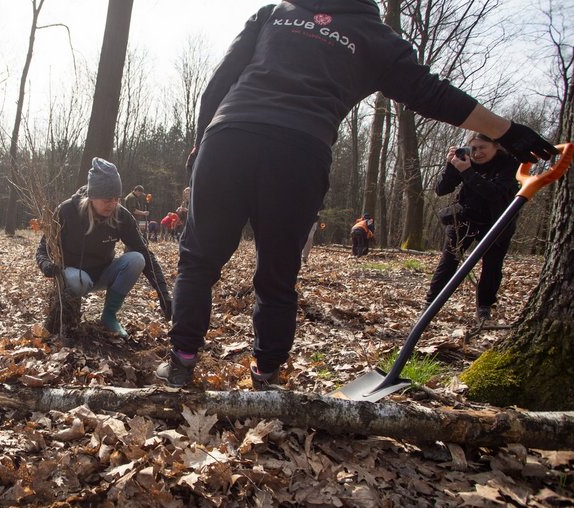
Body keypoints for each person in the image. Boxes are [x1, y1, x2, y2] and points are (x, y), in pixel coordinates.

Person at [156, 0, 557, 389]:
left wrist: (200, 143)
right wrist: (506, 131)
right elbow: (430, 92)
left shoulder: (275, 13)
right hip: (299, 153)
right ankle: (266, 373)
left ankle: (182, 362)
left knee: (199, 260)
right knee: (278, 272)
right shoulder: (373, 35)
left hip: (229, 140)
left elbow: (219, 82)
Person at [35, 158, 172, 337]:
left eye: (116, 199)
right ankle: (69, 318)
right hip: (75, 275)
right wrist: (46, 265)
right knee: (77, 280)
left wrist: (163, 294)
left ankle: (109, 316)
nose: (113, 204)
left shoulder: (121, 215)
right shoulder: (67, 211)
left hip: (104, 273)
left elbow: (146, 253)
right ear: (93, 195)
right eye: (107, 199)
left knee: (137, 259)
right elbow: (43, 248)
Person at [425, 133, 519, 320]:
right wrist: (451, 166)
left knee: (492, 266)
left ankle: (484, 307)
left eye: (482, 148)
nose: (476, 153)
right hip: (466, 218)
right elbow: (442, 190)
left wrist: (467, 171)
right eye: (473, 148)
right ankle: (431, 304)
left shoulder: (509, 163)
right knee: (449, 261)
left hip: (497, 221)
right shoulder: (465, 159)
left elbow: (494, 194)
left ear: (496, 146)